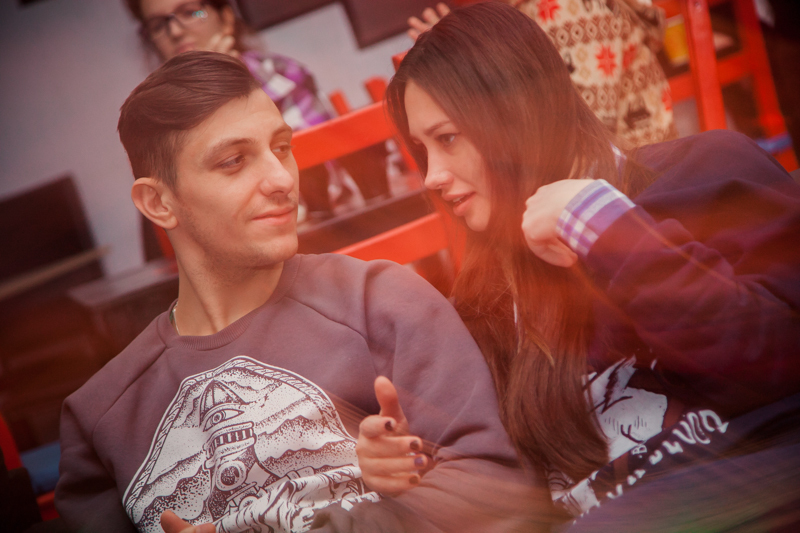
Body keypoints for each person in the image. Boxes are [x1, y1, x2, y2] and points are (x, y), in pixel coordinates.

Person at [54, 51, 542, 533]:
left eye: (282, 147)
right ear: (159, 202)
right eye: (233, 161)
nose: (281, 179)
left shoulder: (381, 303)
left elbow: (499, 490)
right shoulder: (101, 417)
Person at [357, 2, 800, 528]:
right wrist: (419, 461)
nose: (431, 176)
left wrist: (607, 230)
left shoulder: (703, 173)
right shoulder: (483, 306)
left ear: (518, 114)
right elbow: (504, 484)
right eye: (422, 149)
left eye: (448, 138)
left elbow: (779, 360)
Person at [124, 0, 390, 222]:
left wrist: (223, 84)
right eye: (158, 25)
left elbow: (326, 186)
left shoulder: (283, 76)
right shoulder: (154, 119)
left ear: (225, 18)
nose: (175, 31)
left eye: (190, 12)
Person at [408, 0, 676, 146]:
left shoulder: (568, 7)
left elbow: (583, 132)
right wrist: (459, 48)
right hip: (593, 180)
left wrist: (465, 57)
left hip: (635, 184)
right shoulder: (511, 15)